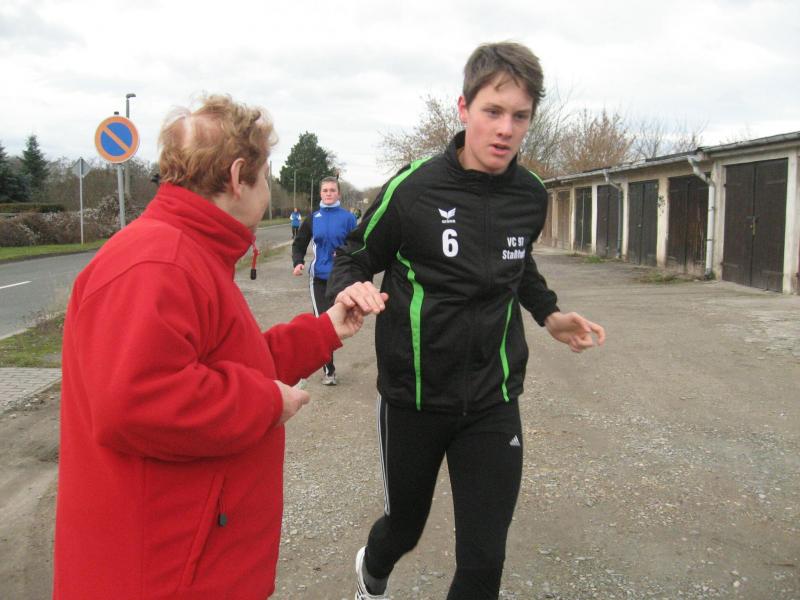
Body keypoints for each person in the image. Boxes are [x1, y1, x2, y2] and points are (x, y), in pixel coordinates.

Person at [53, 94, 381, 600]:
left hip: (184, 563)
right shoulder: (158, 263)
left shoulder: (188, 253)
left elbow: (230, 362)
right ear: (236, 177)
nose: (268, 189)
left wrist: (325, 330)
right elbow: (135, 402)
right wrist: (267, 402)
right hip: (164, 576)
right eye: (265, 175)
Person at [328, 42, 606, 600]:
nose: (505, 129)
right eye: (492, 111)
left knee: (484, 559)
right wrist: (349, 286)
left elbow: (517, 263)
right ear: (463, 108)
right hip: (414, 396)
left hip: (491, 398)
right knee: (404, 527)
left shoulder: (530, 195)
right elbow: (355, 253)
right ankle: (371, 575)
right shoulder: (414, 188)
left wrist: (549, 313)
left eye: (520, 116)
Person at [291, 176, 357, 385]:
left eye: (332, 190)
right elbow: (299, 243)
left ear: (338, 193)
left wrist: (344, 252)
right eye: (325, 190)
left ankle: (321, 357)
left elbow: (357, 244)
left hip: (340, 278)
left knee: (336, 322)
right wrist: (298, 262)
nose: (328, 193)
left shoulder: (348, 218)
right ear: (320, 194)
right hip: (318, 278)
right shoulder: (313, 218)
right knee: (322, 323)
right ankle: (329, 371)